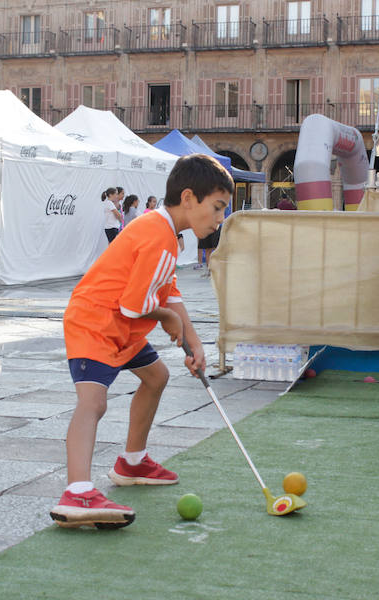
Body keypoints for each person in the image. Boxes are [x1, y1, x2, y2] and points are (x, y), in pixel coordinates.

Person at [49, 154, 234, 529]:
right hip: (96, 322)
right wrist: (167, 319)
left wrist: (193, 341)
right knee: (93, 403)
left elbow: (170, 291)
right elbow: (135, 305)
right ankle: (78, 491)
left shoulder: (169, 236)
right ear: (188, 198)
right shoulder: (155, 233)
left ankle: (132, 462)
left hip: (123, 329)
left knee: (156, 376)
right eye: (217, 208)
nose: (219, 219)